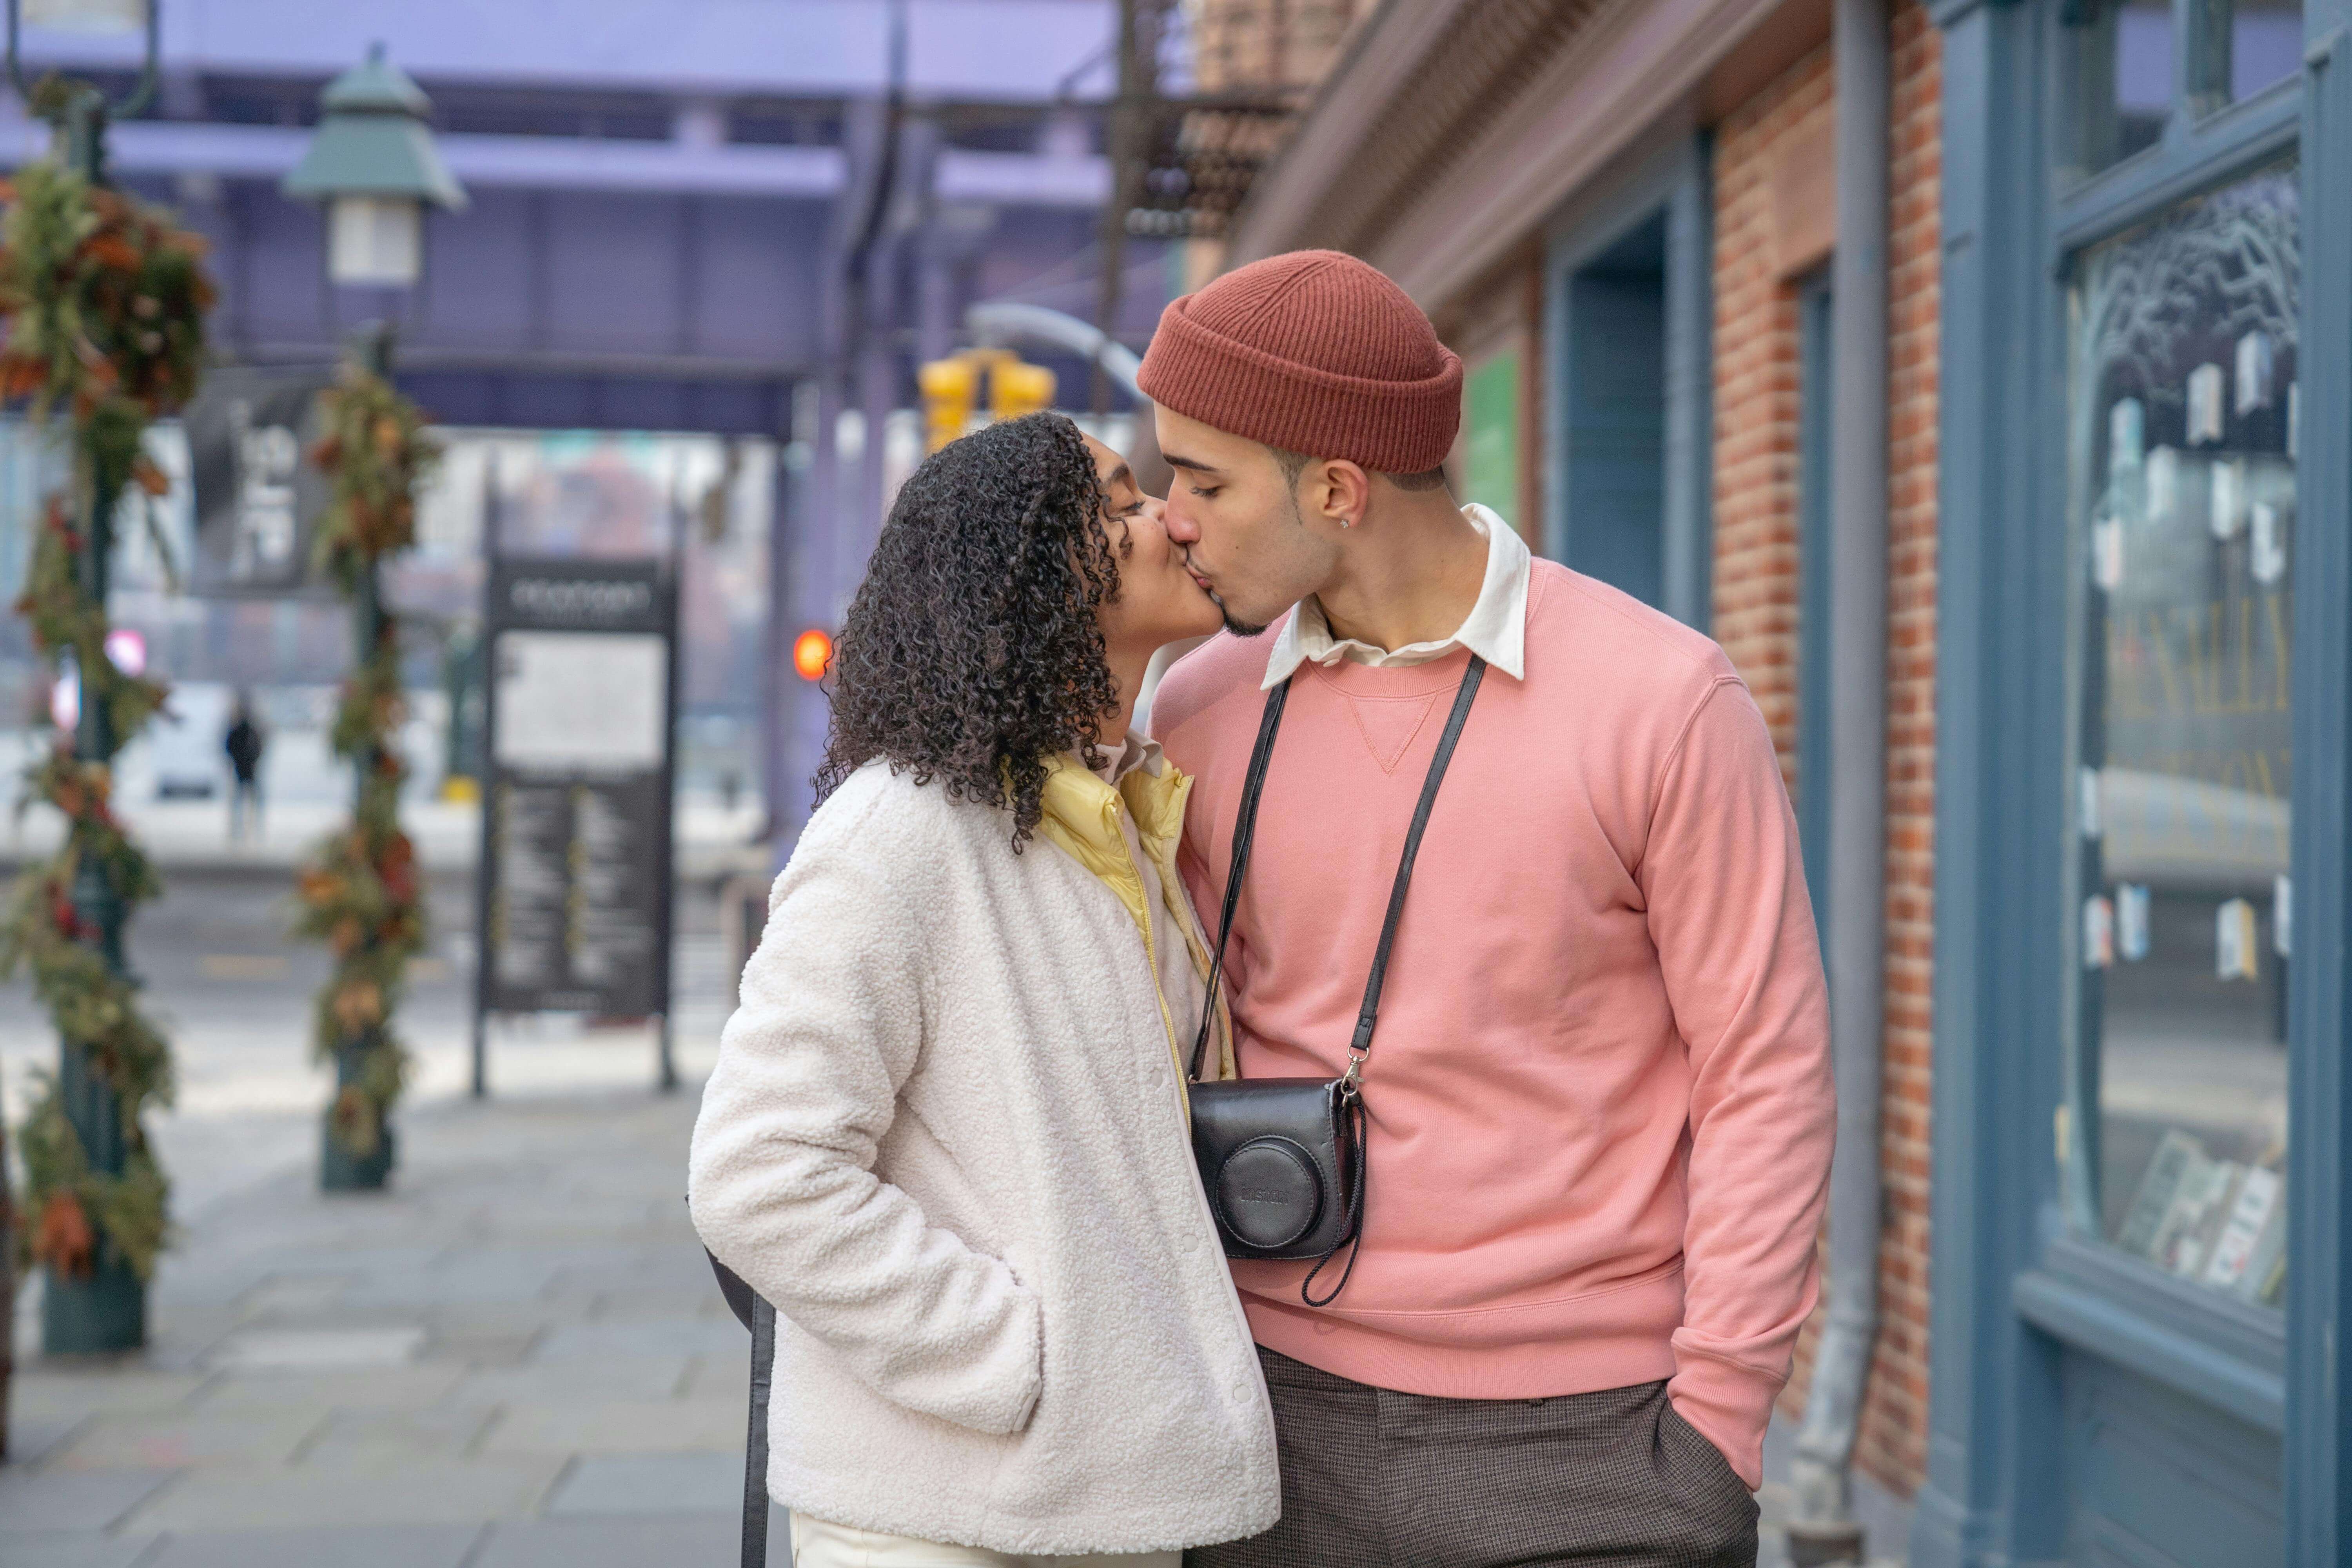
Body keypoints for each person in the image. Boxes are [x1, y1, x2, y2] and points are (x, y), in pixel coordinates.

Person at [1140, 250, 1837, 1568]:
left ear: (1336, 489)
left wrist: (1717, 1431)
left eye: (1205, 482)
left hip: (1594, 1447)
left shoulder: (1664, 701)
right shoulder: (1197, 712)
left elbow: (1767, 1073)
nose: (1175, 519)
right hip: (1263, 1422)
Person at [688, 413, 1277, 1568]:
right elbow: (758, 1173)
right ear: (1031, 569)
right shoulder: (897, 832)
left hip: (1105, 1500)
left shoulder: (1113, 816)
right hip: (942, 1517)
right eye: (1122, 502)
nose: (1171, 520)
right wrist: (1012, 1355)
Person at [224, 693, 265, 843]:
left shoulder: (242, 731)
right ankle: (247, 828)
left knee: (243, 801)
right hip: (246, 768)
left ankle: (247, 828)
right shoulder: (248, 732)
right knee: (246, 801)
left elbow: (230, 748)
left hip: (244, 768)